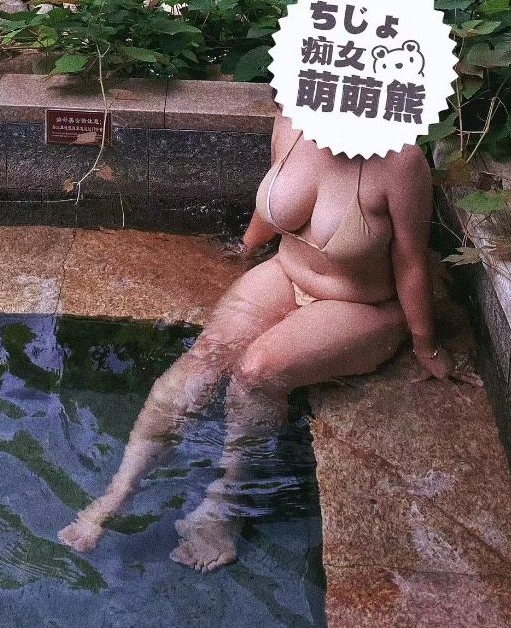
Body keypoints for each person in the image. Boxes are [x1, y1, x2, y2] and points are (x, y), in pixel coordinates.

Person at [58, 111, 464, 572]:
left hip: (361, 303)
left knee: (256, 372)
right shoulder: (291, 119)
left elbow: (411, 262)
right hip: (285, 272)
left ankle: (224, 505)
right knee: (206, 357)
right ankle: (119, 492)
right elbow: (271, 206)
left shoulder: (400, 161)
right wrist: (247, 248)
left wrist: (427, 345)